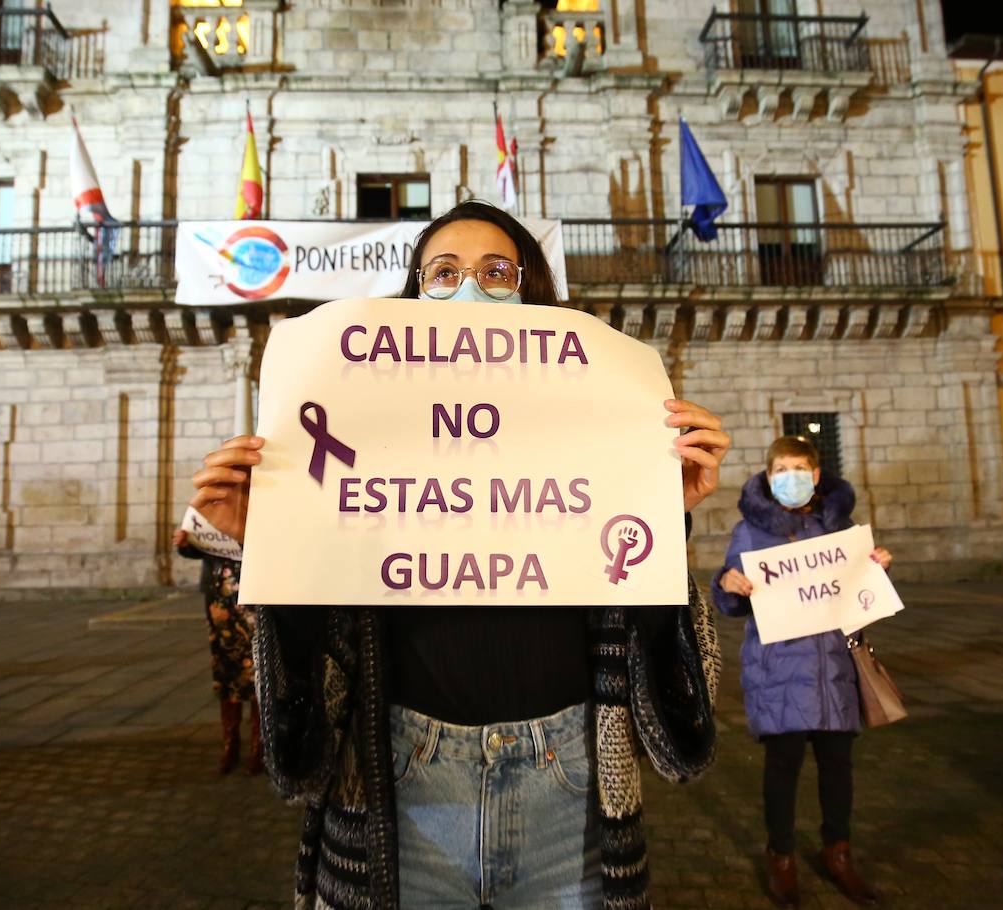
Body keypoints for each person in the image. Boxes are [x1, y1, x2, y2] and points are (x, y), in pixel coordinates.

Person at [188, 201, 731, 909]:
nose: (468, 288)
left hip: (566, 776)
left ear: (532, 292)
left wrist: (665, 511)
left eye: (496, 272)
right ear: (415, 292)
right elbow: (306, 713)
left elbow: (675, 694)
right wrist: (270, 542)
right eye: (443, 272)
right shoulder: (356, 422)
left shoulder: (600, 423)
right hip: (402, 776)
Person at [711, 436, 892, 907]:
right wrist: (729, 583)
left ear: (814, 475)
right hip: (778, 670)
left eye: (798, 468)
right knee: (783, 767)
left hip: (833, 667)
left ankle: (839, 853)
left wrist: (876, 571)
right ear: (770, 479)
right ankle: (782, 857)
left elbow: (858, 595)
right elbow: (730, 597)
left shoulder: (840, 528)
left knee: (838, 767)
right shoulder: (749, 532)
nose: (788, 476)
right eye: (779, 470)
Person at [173, 527, 263, 775]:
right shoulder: (210, 497)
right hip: (218, 592)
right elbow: (199, 546)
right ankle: (230, 743)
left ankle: (260, 745)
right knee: (225, 668)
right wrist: (185, 543)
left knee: (257, 669)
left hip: (253, 590)